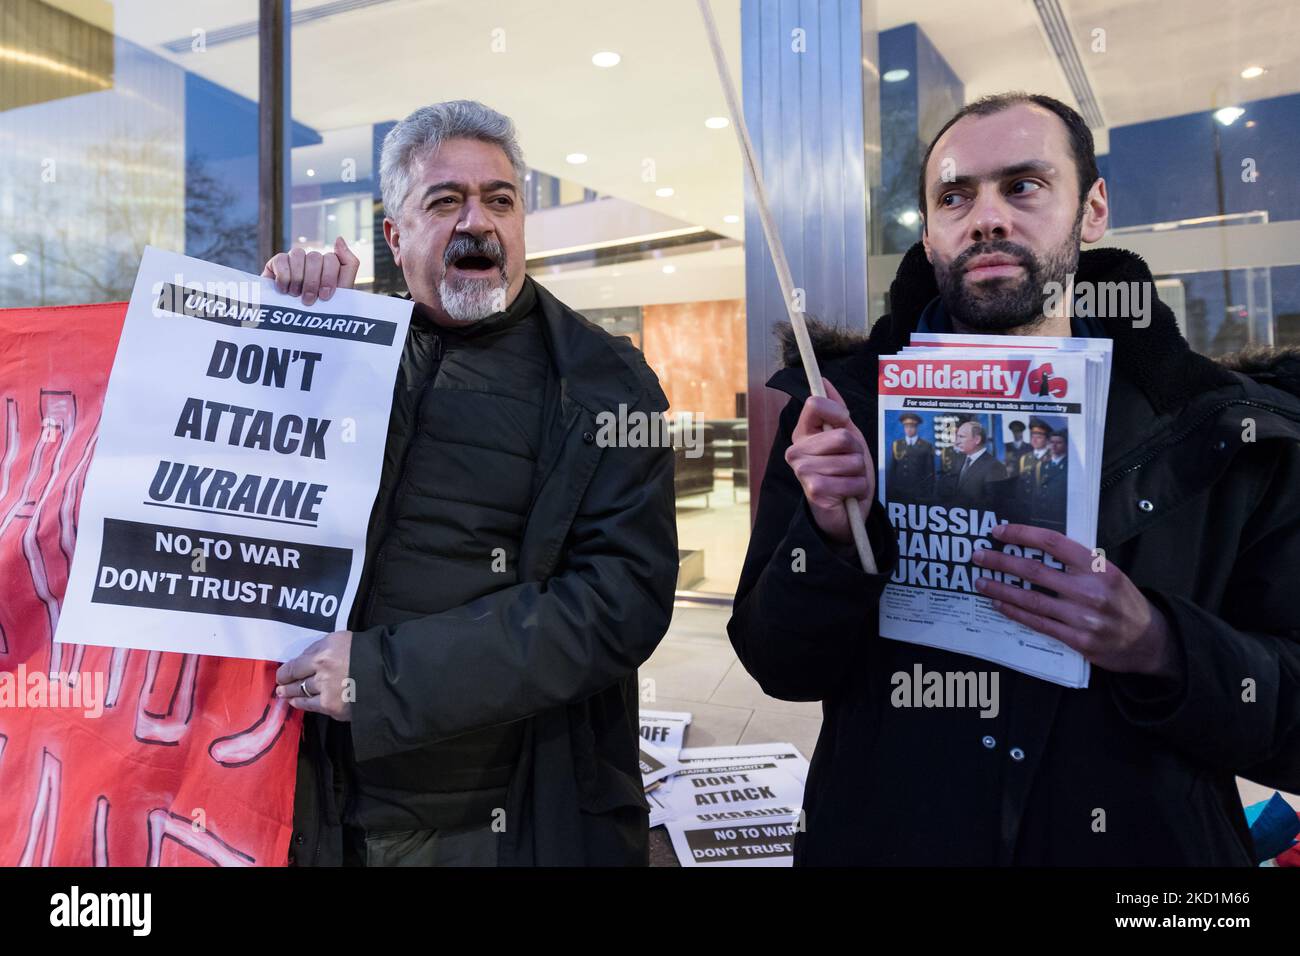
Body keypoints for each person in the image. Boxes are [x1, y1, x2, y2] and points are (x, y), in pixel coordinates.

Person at [728, 92, 1300, 865]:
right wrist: (835, 538)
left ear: (1092, 209)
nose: (987, 218)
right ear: (930, 235)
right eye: (955, 196)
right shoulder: (839, 411)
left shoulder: (1225, 432)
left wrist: (1162, 645)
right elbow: (778, 664)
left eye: (1024, 186)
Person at [262, 101, 678, 866]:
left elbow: (621, 602)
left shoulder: (606, 384)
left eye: (499, 199)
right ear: (395, 236)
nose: (477, 221)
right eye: (445, 200)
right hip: (324, 803)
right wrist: (287, 325)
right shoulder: (348, 354)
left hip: (508, 819)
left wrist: (384, 678)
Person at [946, 419, 1007, 511]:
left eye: (961, 437)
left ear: (977, 439)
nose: (957, 442)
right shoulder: (959, 460)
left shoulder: (994, 467)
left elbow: (993, 504)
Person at [887, 412, 935, 503]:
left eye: (912, 426)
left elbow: (930, 473)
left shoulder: (926, 446)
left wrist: (927, 494)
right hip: (899, 491)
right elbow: (892, 470)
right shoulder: (897, 445)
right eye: (906, 427)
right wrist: (890, 490)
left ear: (916, 427)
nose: (909, 429)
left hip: (918, 492)